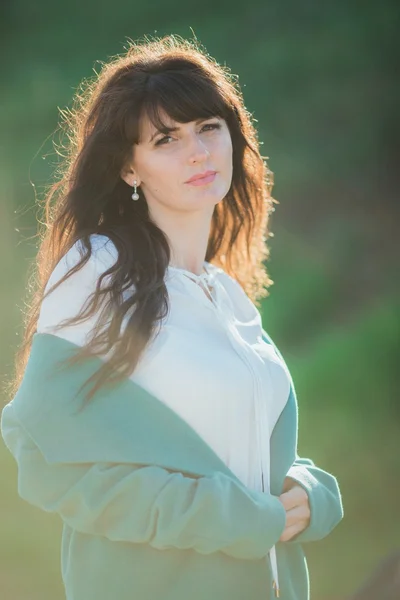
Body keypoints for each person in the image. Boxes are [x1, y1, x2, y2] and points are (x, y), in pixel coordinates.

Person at [0, 34, 343, 600]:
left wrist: (309, 491)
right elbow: (43, 455)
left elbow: (245, 454)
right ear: (129, 168)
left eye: (209, 127)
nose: (199, 153)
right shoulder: (100, 270)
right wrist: (232, 519)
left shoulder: (226, 295)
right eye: (166, 139)